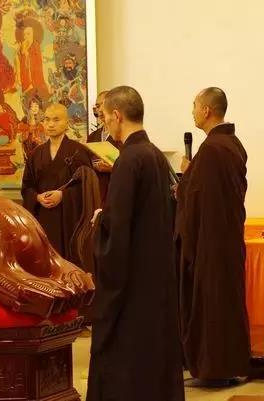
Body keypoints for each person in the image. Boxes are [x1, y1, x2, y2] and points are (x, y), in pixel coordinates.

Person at [87, 86, 184, 401]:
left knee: (125, 358)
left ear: (117, 116)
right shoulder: (154, 154)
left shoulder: (129, 159)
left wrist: (101, 220)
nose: (106, 125)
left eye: (105, 117)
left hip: (132, 283)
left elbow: (117, 227)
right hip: (156, 274)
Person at [176, 87, 250, 387]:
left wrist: (183, 183)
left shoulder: (212, 150)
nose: (192, 110)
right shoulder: (232, 144)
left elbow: (197, 199)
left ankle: (215, 368)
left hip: (210, 243)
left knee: (212, 303)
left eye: (195, 105)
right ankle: (229, 364)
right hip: (227, 240)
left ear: (207, 110)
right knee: (227, 302)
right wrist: (190, 178)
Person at [21, 103, 93, 264]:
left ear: (67, 123)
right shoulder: (36, 154)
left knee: (68, 262)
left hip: (69, 218)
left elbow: (87, 185)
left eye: (56, 120)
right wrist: (37, 197)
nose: (51, 124)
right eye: (47, 120)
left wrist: (63, 195)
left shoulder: (78, 151)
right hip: (43, 216)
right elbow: (27, 187)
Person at [87, 90, 121, 202]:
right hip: (98, 189)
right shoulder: (92, 136)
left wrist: (113, 167)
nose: (100, 110)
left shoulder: (121, 134)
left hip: (116, 188)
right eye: (97, 106)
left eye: (104, 105)